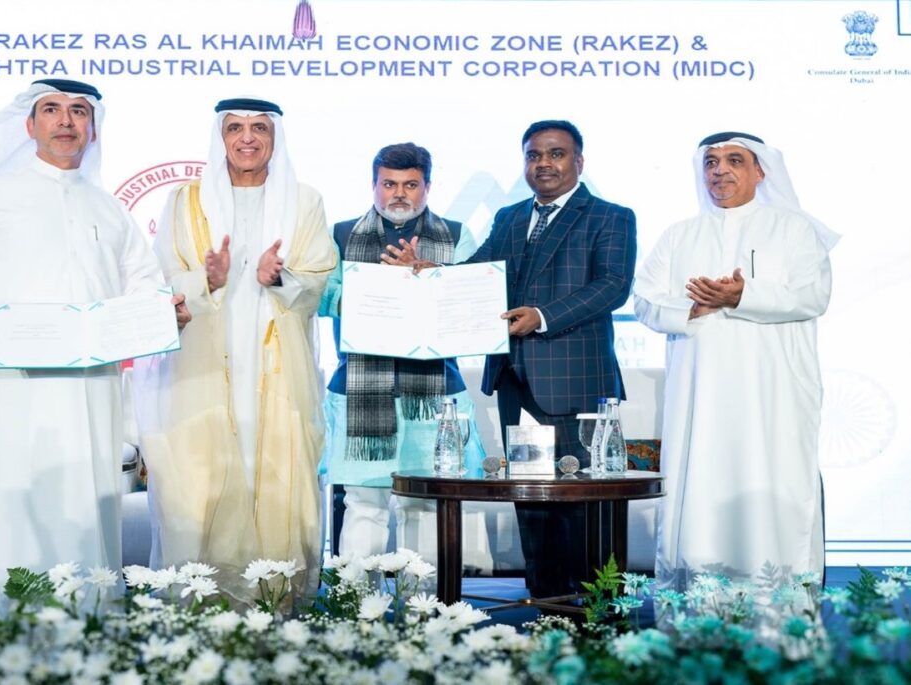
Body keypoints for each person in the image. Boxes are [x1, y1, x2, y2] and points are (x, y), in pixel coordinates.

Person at [0, 79, 189, 590]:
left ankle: (87, 612)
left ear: (93, 129)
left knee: (85, 496)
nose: (66, 121)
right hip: (12, 379)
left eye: (78, 112)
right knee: (12, 493)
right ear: (30, 126)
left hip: (91, 386)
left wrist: (163, 314)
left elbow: (143, 283)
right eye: (52, 110)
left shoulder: (106, 206)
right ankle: (4, 616)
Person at [392, 120, 636, 598]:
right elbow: (480, 272)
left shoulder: (610, 216)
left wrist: (542, 317)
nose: (544, 163)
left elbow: (612, 286)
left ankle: (595, 608)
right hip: (514, 380)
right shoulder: (509, 217)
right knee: (531, 500)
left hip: (576, 383)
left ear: (579, 161)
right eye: (533, 155)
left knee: (583, 501)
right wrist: (431, 273)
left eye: (556, 154)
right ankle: (546, 601)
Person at [139, 97, 336, 603]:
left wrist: (280, 277)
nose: (247, 138)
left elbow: (318, 280)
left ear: (275, 138)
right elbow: (160, 279)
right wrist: (205, 279)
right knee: (198, 481)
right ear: (220, 137)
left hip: (278, 368)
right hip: (203, 368)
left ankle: (275, 599)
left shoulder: (304, 201)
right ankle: (201, 602)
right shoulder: (186, 200)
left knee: (276, 475)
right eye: (235, 128)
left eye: (259, 128)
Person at [633, 132, 836, 589]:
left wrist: (744, 294)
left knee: (774, 485)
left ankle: (775, 608)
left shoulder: (794, 230)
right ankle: (699, 606)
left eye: (734, 160)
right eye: (711, 162)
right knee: (700, 490)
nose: (719, 170)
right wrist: (692, 308)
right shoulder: (679, 235)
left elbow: (814, 295)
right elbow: (644, 300)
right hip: (700, 395)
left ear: (761, 172)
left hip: (773, 396)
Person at [319, 142, 486, 560]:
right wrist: (374, 290)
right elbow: (321, 295)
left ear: (427, 187)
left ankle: (422, 596)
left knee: (423, 502)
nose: (398, 193)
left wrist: (427, 275)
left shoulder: (456, 234)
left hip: (434, 392)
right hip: (360, 389)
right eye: (389, 184)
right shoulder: (341, 234)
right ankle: (357, 596)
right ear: (373, 186)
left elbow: (470, 298)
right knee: (363, 502)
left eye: (410, 185)